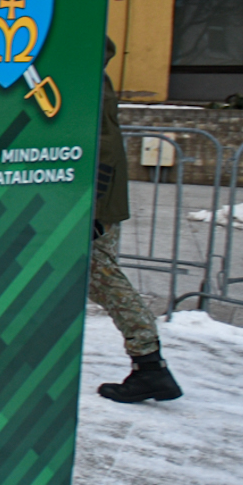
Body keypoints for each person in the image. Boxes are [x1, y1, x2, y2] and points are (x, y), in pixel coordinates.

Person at [91, 37, 183, 403]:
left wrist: (93, 208)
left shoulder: (87, 79)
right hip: (93, 199)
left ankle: (150, 366)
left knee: (104, 279)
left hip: (95, 201)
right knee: (98, 279)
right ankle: (150, 365)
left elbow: (102, 144)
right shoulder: (83, 74)